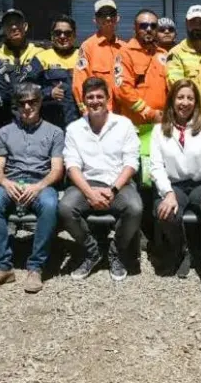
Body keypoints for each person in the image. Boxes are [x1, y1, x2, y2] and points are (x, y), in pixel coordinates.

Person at [0, 83, 63, 294]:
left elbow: (57, 170)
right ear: (16, 105)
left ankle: (36, 267)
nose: (27, 107)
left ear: (40, 103)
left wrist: (38, 186)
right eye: (22, 103)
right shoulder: (4, 132)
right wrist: (5, 182)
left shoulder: (55, 132)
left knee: (50, 205)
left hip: (41, 183)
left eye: (32, 102)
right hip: (12, 182)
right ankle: (2, 267)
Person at [59, 77, 142, 281]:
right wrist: (89, 193)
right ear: (83, 100)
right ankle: (92, 251)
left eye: (99, 96)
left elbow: (131, 163)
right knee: (65, 208)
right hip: (86, 184)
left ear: (108, 98)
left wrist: (113, 190)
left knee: (135, 208)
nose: (95, 101)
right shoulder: (74, 129)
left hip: (118, 184)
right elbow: (71, 166)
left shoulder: (124, 124)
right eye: (90, 97)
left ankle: (116, 252)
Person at [149, 79, 201, 293]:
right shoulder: (159, 130)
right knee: (165, 211)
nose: (185, 102)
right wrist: (167, 193)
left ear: (196, 102)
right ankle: (182, 251)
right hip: (174, 186)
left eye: (190, 98)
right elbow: (156, 167)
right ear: (172, 101)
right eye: (180, 97)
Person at [115, 9, 169, 185]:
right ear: (135, 28)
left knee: (158, 177)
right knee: (139, 179)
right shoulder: (125, 53)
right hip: (136, 129)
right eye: (143, 25)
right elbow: (122, 89)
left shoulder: (163, 55)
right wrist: (149, 112)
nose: (148, 29)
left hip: (160, 127)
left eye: (153, 25)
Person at [72, 0, 125, 112]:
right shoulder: (87, 47)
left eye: (111, 14)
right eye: (103, 15)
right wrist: (85, 111)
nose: (108, 18)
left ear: (117, 18)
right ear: (95, 20)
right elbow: (79, 83)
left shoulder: (125, 48)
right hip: (99, 113)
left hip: (123, 114)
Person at [36, 15, 81, 129]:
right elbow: (25, 88)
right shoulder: (41, 58)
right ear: (52, 36)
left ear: (74, 35)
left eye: (67, 33)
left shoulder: (83, 57)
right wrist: (49, 93)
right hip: (51, 125)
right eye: (58, 33)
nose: (62, 36)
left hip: (80, 124)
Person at [0, 9, 43, 93]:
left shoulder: (39, 51)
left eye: (17, 23)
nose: (14, 27)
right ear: (3, 29)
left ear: (25, 26)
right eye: (9, 24)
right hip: (5, 99)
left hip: (32, 98)